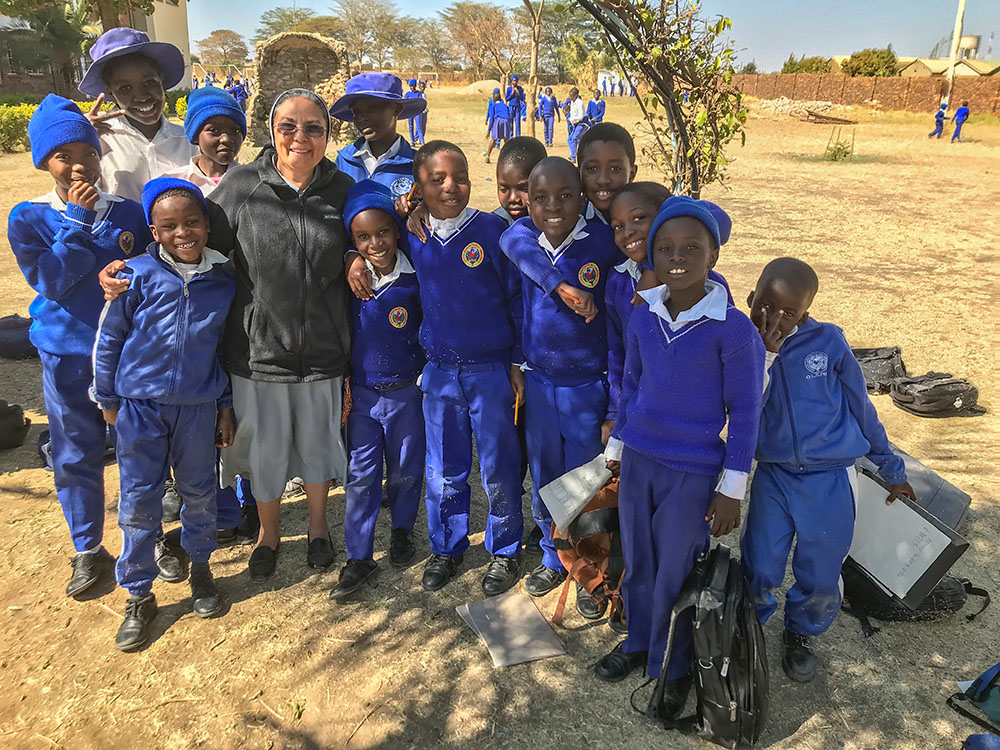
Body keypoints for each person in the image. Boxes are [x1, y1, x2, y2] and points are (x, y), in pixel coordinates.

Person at [597, 198, 764, 726]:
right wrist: (619, 444)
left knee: (676, 569)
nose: (677, 257)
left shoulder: (733, 330)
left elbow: (746, 413)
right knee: (639, 561)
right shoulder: (643, 312)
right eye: (665, 247)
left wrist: (731, 487)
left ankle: (674, 669)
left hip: (691, 472)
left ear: (714, 254)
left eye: (692, 248)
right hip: (640, 459)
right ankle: (641, 642)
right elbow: (631, 382)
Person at [741, 257, 915, 683]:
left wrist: (891, 467)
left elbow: (861, 407)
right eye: (767, 305)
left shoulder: (829, 342)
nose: (777, 319)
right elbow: (742, 410)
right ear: (751, 298)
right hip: (775, 476)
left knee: (820, 570)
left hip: (830, 478)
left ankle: (801, 632)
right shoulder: (741, 342)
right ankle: (750, 628)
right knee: (760, 563)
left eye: (790, 313)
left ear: (806, 312)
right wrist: (764, 353)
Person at [9, 96, 152, 598]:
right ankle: (88, 548)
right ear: (43, 162)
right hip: (65, 355)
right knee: (75, 452)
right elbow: (51, 281)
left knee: (140, 448)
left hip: (127, 356)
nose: (77, 165)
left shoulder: (130, 214)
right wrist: (75, 219)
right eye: (62, 155)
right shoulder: (29, 218)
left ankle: (146, 539)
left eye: (87, 153)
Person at [211, 90, 354, 580]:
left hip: (323, 353)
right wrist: (140, 266)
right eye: (288, 126)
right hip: (258, 353)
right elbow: (190, 239)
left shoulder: (342, 187)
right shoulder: (242, 185)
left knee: (318, 447)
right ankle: (268, 534)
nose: (300, 137)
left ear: (329, 135)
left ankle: (318, 528)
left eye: (314, 127)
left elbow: (371, 237)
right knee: (266, 450)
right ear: (271, 132)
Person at [92, 177, 235, 651]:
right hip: (140, 409)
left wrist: (224, 407)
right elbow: (109, 339)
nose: (183, 233)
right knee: (139, 500)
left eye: (192, 222)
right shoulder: (134, 275)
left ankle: (199, 569)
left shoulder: (222, 278)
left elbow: (224, 351)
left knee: (198, 495)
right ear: (154, 231)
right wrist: (108, 399)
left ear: (206, 225)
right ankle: (138, 593)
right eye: (170, 226)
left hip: (197, 409)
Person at [500, 157, 620, 615]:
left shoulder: (603, 243)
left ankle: (592, 567)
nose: (553, 207)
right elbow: (512, 242)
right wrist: (559, 286)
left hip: (587, 385)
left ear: (583, 199)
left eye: (566, 196)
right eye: (541, 198)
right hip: (539, 382)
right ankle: (553, 556)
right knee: (546, 474)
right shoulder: (521, 237)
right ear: (528, 201)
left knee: (586, 480)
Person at [407, 141, 525, 596]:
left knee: (498, 464)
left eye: (460, 177)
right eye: (436, 180)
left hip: (489, 370)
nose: (451, 187)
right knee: (444, 467)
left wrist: (516, 361)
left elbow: (516, 300)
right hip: (438, 371)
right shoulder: (412, 234)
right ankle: (447, 547)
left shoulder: (494, 231)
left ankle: (505, 550)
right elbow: (368, 221)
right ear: (420, 187)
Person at [329, 181, 425, 601]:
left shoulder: (414, 278)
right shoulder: (349, 280)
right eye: (362, 238)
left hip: (408, 393)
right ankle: (359, 555)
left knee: (405, 470)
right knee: (362, 476)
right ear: (351, 242)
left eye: (383, 232)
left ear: (397, 231)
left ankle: (403, 530)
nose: (375, 243)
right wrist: (350, 259)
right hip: (364, 396)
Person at [79, 28, 195, 202]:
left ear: (162, 82)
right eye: (125, 88)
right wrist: (80, 142)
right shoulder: (99, 140)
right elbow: (80, 197)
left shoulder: (189, 141)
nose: (142, 96)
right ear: (111, 93)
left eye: (150, 82)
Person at [331, 72, 426, 199]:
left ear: (396, 109)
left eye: (372, 108)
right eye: (356, 112)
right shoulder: (344, 160)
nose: (362, 118)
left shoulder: (417, 165)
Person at [162, 85, 246, 195]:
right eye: (213, 130)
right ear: (196, 135)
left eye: (235, 131)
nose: (226, 139)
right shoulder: (173, 185)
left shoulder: (254, 183)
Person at [576, 123, 638, 224]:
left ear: (632, 173)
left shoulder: (646, 221)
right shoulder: (569, 224)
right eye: (592, 168)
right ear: (579, 173)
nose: (603, 180)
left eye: (615, 168)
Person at [484, 88, 510, 164]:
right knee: (506, 140)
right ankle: (509, 156)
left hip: (498, 120)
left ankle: (488, 156)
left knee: (494, 138)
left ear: (494, 100)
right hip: (506, 120)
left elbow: (491, 119)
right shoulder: (505, 105)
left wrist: (488, 131)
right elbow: (509, 115)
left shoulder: (493, 106)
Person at [566, 87, 589, 163]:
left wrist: (572, 120)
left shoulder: (579, 103)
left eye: (572, 96)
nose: (570, 97)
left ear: (576, 95)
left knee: (574, 138)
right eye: (570, 96)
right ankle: (574, 154)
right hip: (575, 124)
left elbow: (580, 116)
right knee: (570, 139)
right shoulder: (572, 102)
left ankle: (574, 157)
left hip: (582, 124)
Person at [404, 79, 425, 147]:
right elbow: (405, 103)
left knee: (419, 127)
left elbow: (420, 102)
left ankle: (422, 142)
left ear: (415, 86)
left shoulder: (418, 93)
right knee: (411, 127)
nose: (412, 87)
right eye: (410, 86)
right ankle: (412, 141)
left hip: (417, 112)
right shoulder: (407, 94)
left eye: (413, 86)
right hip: (409, 112)